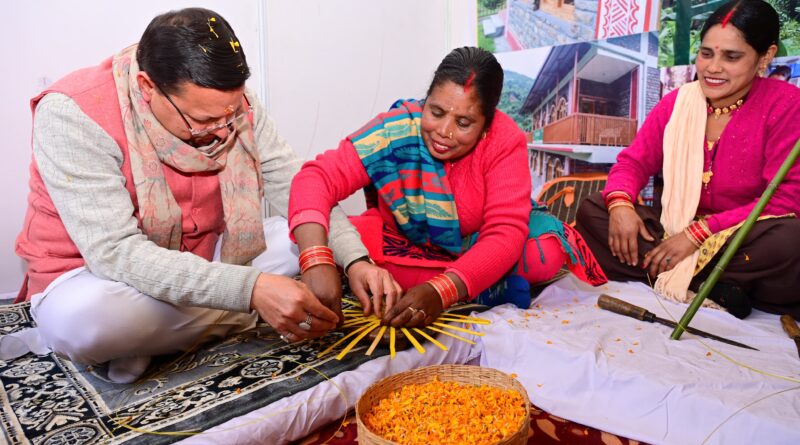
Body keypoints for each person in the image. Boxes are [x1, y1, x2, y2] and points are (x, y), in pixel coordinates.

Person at [1, 8, 377, 383]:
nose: (221, 131)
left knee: (296, 236)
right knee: (86, 322)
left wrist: (351, 259)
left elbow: (298, 185)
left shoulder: (228, 104)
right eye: (203, 121)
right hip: (95, 278)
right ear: (148, 88)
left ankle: (158, 337)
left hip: (200, 256)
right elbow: (115, 253)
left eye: (230, 118)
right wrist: (253, 290)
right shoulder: (73, 113)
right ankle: (238, 313)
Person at [289, 47, 606, 329]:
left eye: (464, 123)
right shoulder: (397, 127)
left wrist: (441, 292)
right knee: (343, 240)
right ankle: (486, 282)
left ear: (486, 125)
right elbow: (315, 178)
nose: (444, 132)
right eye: (436, 112)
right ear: (425, 101)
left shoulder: (504, 140)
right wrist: (315, 259)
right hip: (408, 240)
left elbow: (504, 233)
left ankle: (456, 277)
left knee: (543, 254)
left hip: (475, 240)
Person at [576, 0, 800, 319]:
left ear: (765, 56)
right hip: (673, 230)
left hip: (739, 237)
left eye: (731, 57)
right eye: (706, 53)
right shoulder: (677, 103)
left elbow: (785, 199)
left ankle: (675, 274)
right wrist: (621, 205)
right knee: (594, 210)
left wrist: (700, 234)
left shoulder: (785, 105)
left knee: (791, 242)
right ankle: (711, 283)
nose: (712, 67)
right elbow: (633, 163)